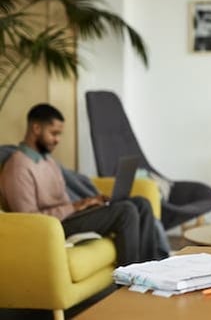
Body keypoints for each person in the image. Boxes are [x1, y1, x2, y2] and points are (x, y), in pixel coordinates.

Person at [0, 103, 163, 266]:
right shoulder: (18, 167)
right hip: (55, 227)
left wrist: (89, 205)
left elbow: (62, 201)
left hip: (69, 217)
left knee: (141, 203)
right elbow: (30, 221)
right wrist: (76, 206)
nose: (57, 140)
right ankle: (130, 280)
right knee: (126, 211)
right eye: (53, 133)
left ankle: (150, 269)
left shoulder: (47, 160)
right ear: (36, 128)